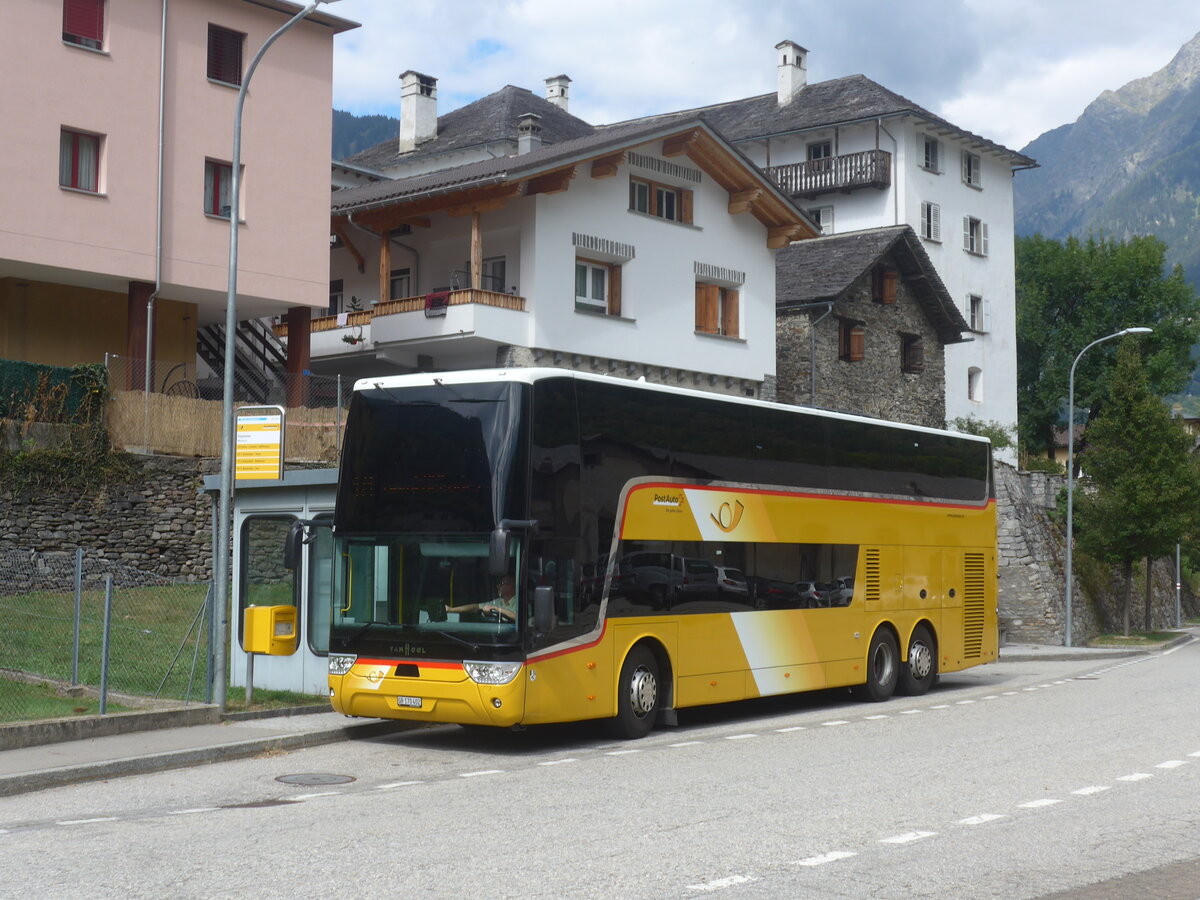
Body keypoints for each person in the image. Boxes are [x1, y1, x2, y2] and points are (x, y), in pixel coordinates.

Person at [446, 575, 518, 622]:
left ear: (511, 586)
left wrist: (496, 609)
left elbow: (518, 618)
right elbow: (476, 607)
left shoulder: (520, 602)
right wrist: (452, 610)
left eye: (501, 584)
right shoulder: (498, 602)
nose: (498, 586)